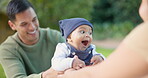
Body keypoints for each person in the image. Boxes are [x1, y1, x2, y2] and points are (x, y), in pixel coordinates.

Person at [57, 0, 148, 78]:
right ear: (69, 37)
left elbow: (103, 70)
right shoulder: (64, 48)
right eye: (82, 32)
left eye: (90, 33)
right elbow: (56, 62)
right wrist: (71, 62)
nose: (88, 35)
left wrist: (100, 58)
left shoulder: (91, 49)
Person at [0, 0, 65, 78]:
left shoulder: (55, 37)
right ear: (12, 25)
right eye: (24, 24)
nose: (32, 27)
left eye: (34, 20)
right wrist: (44, 76)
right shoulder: (7, 49)